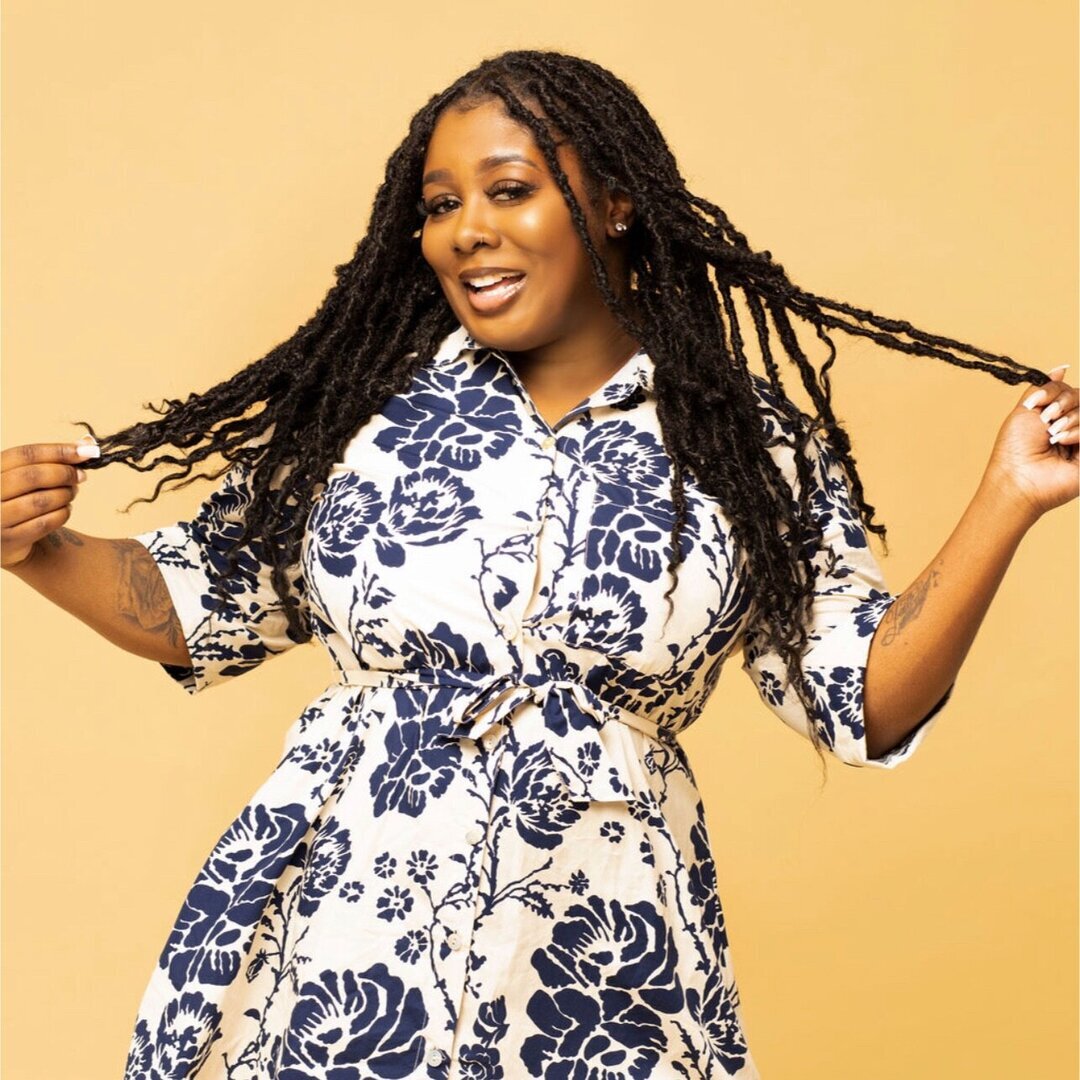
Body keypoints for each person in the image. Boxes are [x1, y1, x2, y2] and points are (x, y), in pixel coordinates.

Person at [1, 49, 1075, 1079]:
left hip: (600, 959)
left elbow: (861, 699)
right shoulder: (359, 411)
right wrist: (33, 546)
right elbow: (196, 602)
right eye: (439, 205)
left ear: (615, 203)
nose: (467, 231)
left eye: (508, 191)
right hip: (347, 938)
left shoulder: (747, 446)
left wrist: (1008, 498)